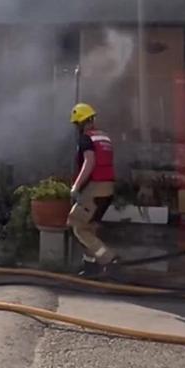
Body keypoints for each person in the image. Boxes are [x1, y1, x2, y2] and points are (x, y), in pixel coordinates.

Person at [68, 102, 118, 276]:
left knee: (77, 225)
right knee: (90, 228)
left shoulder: (86, 139)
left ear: (80, 123)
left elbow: (90, 162)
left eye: (76, 124)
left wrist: (76, 186)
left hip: (94, 189)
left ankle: (110, 259)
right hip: (108, 189)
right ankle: (90, 267)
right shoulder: (104, 137)